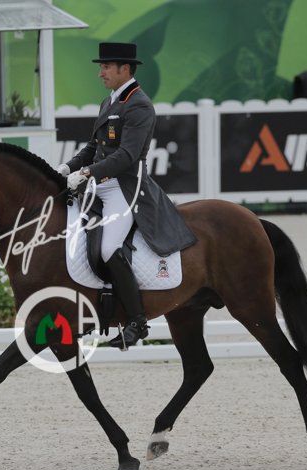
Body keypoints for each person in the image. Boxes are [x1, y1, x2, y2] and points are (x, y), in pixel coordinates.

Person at [56, 42, 196, 350]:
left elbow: (127, 156)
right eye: (101, 67)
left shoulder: (139, 105)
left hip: (125, 188)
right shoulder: (110, 101)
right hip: (99, 185)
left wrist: (87, 173)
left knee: (108, 248)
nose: (100, 73)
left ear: (125, 69)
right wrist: (67, 167)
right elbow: (93, 148)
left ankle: (136, 321)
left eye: (106, 67)